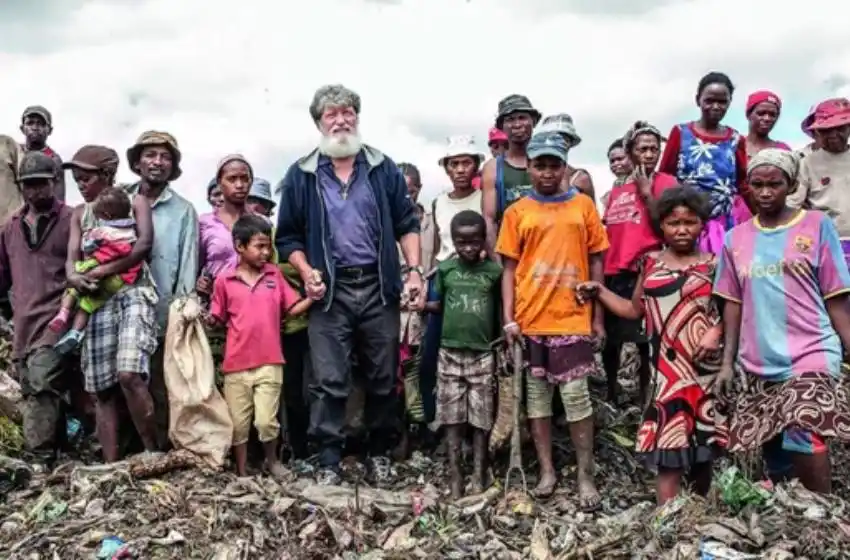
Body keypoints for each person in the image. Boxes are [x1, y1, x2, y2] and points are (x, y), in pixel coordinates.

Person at [276, 84, 423, 484]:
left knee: (382, 373)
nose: (340, 121)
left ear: (357, 118)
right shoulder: (302, 174)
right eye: (331, 115)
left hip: (378, 288)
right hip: (329, 294)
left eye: (347, 113)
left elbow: (408, 224)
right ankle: (328, 460)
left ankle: (379, 452)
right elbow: (286, 237)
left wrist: (413, 271)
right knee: (328, 379)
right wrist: (307, 272)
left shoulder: (382, 168)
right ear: (319, 123)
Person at [714, 148, 850, 494]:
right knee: (771, 439)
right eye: (757, 184)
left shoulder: (817, 226)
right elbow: (732, 303)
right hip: (759, 357)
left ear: (790, 184)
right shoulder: (735, 239)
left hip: (812, 349)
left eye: (774, 184)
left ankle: (823, 506)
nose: (764, 192)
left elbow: (836, 295)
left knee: (803, 427)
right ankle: (788, 504)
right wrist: (727, 363)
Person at [579, 186, 725, 504]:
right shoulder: (650, 263)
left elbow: (734, 313)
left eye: (690, 222)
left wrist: (717, 331)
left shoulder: (715, 264)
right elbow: (634, 310)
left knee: (703, 449)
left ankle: (699, 511)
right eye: (674, 223)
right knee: (669, 451)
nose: (682, 229)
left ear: (702, 224)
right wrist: (599, 291)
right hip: (666, 372)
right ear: (662, 226)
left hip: (702, 370)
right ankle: (666, 521)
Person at [496, 132, 607, 507]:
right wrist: (509, 318)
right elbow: (509, 270)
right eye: (539, 165)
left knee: (577, 400)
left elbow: (596, 260)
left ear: (564, 167)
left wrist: (598, 317)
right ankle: (547, 471)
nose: (546, 172)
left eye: (553, 165)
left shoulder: (583, 207)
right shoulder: (517, 212)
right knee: (538, 402)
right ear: (529, 167)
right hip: (531, 320)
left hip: (573, 317)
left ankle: (586, 475)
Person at [66, 144, 159, 462]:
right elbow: (72, 260)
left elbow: (143, 245)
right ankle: (111, 464)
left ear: (106, 175)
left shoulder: (137, 202)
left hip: (133, 293)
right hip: (97, 301)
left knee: (129, 374)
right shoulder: (80, 214)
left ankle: (152, 452)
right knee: (101, 388)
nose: (80, 183)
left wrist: (103, 269)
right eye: (76, 179)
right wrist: (75, 278)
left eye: (85, 177)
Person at [208, 214, 312, 477]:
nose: (266, 252)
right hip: (235, 365)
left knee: (267, 421)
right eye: (259, 246)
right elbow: (217, 319)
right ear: (239, 246)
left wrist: (312, 297)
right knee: (239, 425)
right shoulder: (225, 281)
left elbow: (293, 307)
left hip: (270, 361)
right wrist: (207, 319)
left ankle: (272, 461)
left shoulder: (274, 275)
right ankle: (242, 470)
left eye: (269, 246)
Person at [122, 132, 198, 450]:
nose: (157, 162)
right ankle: (125, 447)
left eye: (165, 157)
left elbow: (188, 264)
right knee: (121, 378)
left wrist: (181, 311)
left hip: (162, 309)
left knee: (161, 381)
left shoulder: (183, 210)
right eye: (151, 155)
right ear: (138, 162)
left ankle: (163, 448)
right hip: (119, 306)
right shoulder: (117, 200)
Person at [0, 151, 73, 463]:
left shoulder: (71, 219)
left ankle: (38, 459)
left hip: (58, 316)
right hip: (24, 320)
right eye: (28, 185)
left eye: (41, 184)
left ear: (54, 183)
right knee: (33, 388)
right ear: (21, 186)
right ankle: (58, 454)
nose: (35, 191)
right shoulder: (10, 228)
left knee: (43, 381)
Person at [425, 210, 500, 499]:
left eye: (474, 242)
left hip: (482, 353)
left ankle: (479, 474)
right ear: (453, 242)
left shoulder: (493, 273)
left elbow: (499, 309)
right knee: (452, 418)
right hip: (450, 352)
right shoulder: (446, 271)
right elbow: (441, 305)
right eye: (462, 242)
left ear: (483, 240)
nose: (468, 248)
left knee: (481, 418)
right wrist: (419, 304)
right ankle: (456, 477)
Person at [601, 122, 677, 405]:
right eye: (642, 149)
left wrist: (647, 192)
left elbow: (666, 229)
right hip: (615, 273)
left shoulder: (666, 183)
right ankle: (611, 395)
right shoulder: (617, 190)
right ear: (630, 152)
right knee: (612, 341)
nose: (649, 154)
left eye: (654, 149)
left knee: (646, 342)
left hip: (646, 271)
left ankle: (647, 400)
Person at [659, 72, 750, 254]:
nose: (715, 106)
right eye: (709, 100)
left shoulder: (735, 139)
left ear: (730, 102)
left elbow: (742, 184)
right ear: (698, 100)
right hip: (687, 225)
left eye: (722, 102)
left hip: (724, 225)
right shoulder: (681, 133)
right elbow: (665, 178)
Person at [51, 188, 141, 354]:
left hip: (96, 265)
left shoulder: (105, 231)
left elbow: (89, 245)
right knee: (88, 305)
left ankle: (63, 312)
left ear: (106, 216)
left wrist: (89, 245)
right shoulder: (130, 231)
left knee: (74, 283)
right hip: (120, 278)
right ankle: (75, 332)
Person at [788, 98, 850, 266]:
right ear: (818, 133)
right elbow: (793, 205)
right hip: (826, 242)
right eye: (826, 130)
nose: (833, 135)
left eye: (840, 128)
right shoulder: (806, 163)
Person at [481, 94, 541, 259]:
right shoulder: (493, 168)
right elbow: (489, 221)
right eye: (510, 119)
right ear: (502, 126)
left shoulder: (549, 163)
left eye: (522, 118)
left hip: (545, 252)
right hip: (510, 254)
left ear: (533, 121)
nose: (517, 125)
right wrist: (499, 266)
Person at [198, 155, 254, 286]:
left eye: (245, 179)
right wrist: (199, 283)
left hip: (254, 302)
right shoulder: (204, 224)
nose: (239, 185)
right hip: (216, 301)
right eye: (232, 179)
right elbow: (194, 267)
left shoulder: (261, 223)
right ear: (219, 183)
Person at [534, 113, 595, 201]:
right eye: (553, 137)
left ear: (570, 142)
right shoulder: (532, 173)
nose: (559, 142)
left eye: (564, 138)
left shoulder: (580, 178)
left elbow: (591, 212)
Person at [19, 105, 64, 202]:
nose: (35, 127)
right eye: (30, 123)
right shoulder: (13, 153)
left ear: (50, 130)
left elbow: (59, 199)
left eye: (41, 124)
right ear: (22, 128)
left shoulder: (53, 159)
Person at [745, 91, 791, 158]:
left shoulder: (783, 151)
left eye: (773, 115)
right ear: (748, 114)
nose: (767, 119)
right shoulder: (734, 146)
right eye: (761, 113)